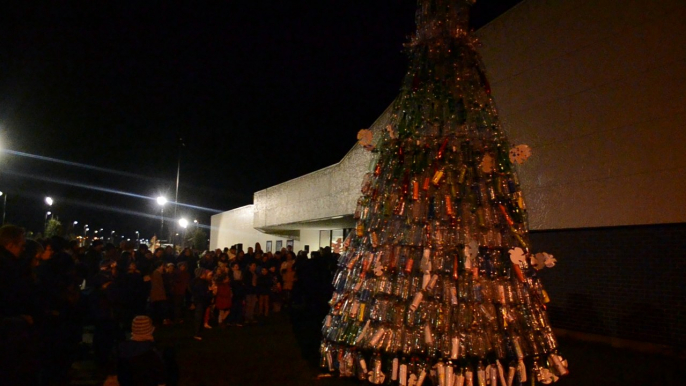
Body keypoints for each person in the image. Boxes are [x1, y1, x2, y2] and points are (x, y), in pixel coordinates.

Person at [116, 315, 167, 386]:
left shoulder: (123, 349)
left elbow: (121, 374)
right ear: (150, 330)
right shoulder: (152, 351)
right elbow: (160, 374)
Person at [190, 268, 213, 340]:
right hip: (200, 302)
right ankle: (196, 333)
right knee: (199, 317)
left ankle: (198, 332)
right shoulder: (200, 283)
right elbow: (202, 294)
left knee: (200, 317)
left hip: (200, 301)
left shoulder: (198, 282)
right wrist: (210, 292)